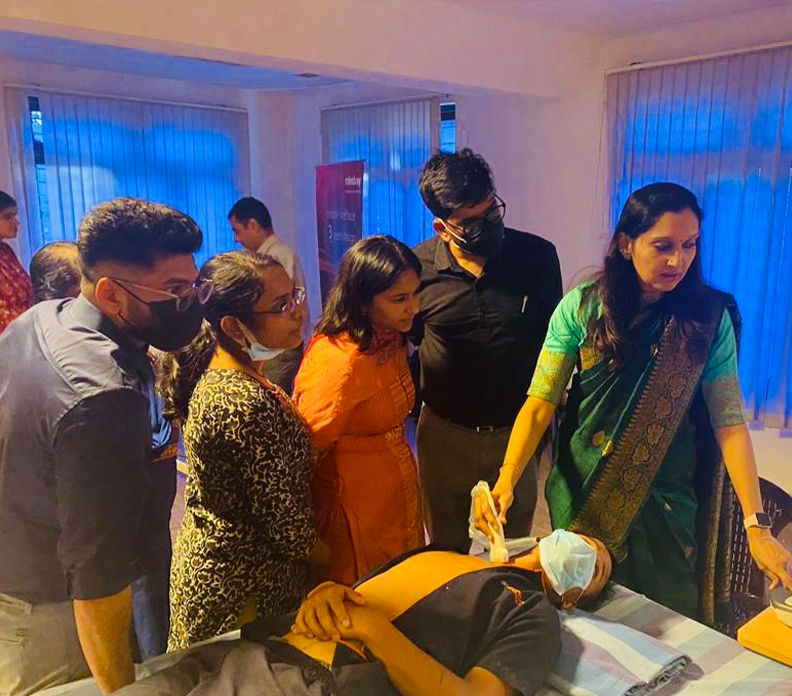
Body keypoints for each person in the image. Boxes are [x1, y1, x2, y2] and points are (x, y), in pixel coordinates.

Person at [475, 183, 792, 625]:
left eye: (689, 245)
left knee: (667, 621)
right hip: (585, 490)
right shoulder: (582, 308)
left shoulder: (706, 318)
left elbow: (728, 422)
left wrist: (756, 526)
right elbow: (540, 403)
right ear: (626, 244)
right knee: (583, 610)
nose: (678, 261)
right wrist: (507, 479)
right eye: (663, 246)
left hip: (667, 499)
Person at [0, 198, 208, 695]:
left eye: (193, 285)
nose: (189, 303)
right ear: (111, 293)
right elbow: (98, 579)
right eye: (174, 290)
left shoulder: (43, 316)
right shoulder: (102, 396)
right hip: (50, 609)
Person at [114, 531, 613, 696]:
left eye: (597, 566)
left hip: (313, 682)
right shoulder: (450, 553)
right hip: (255, 650)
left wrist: (375, 631)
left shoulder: (533, 615)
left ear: (573, 599)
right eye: (584, 539)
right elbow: (357, 592)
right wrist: (325, 592)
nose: (586, 548)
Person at [159, 251, 327, 651]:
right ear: (233, 326)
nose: (298, 312)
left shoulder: (238, 370)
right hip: (240, 585)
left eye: (295, 296)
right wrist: (337, 558)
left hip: (243, 570)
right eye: (280, 306)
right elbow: (287, 528)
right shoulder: (240, 402)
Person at [412, 149, 563, 552]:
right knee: (445, 548)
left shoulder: (537, 258)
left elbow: (552, 344)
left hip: (515, 433)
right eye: (470, 221)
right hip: (445, 434)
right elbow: (408, 341)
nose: (488, 225)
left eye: (491, 211)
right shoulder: (416, 270)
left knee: (511, 548)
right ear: (442, 228)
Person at [294, 236, 423, 586]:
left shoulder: (391, 337)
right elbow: (306, 452)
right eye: (400, 299)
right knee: (364, 595)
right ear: (363, 302)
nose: (414, 307)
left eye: (416, 293)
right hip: (353, 507)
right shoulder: (340, 361)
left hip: (394, 498)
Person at [229, 197, 309, 394]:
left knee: (271, 398)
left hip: (277, 348)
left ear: (253, 225)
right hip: (266, 346)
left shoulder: (278, 257)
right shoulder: (266, 257)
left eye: (237, 231)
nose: (236, 239)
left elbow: (280, 307)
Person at [0, 190, 31, 333]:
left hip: (25, 333)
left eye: (14, 216)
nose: (16, 223)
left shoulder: (5, 251)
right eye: (8, 217)